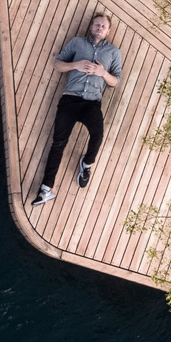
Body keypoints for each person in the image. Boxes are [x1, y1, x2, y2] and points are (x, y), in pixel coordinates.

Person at [33, 12, 121, 206]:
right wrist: (76, 65)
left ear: (108, 31)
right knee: (58, 143)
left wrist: (102, 72)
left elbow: (116, 81)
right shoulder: (77, 43)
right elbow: (57, 65)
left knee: (97, 136)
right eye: (97, 25)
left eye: (103, 26)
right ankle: (46, 189)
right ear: (91, 27)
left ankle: (86, 163)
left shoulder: (114, 53)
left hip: (92, 103)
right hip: (70, 100)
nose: (99, 28)